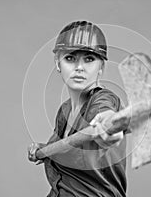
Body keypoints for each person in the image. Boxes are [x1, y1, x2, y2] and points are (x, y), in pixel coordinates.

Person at [28, 21, 128, 197]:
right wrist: (44, 150)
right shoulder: (64, 111)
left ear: (101, 67)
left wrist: (109, 125)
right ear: (58, 64)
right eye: (70, 58)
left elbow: (105, 116)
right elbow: (69, 150)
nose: (79, 67)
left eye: (89, 59)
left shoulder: (103, 100)